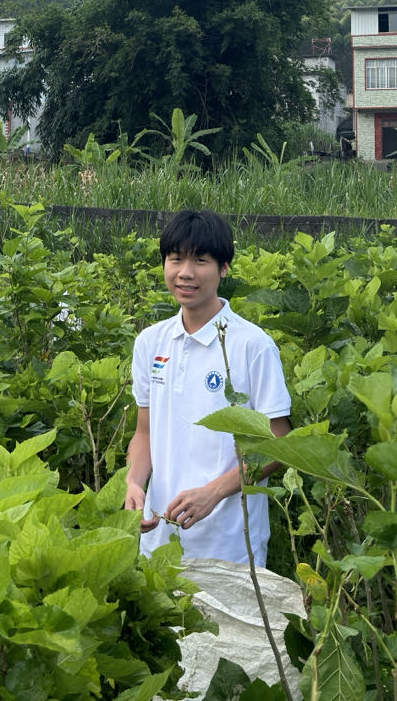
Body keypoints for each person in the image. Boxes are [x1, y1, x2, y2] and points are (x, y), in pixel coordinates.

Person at [124, 208, 291, 565]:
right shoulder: (150, 342)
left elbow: (278, 442)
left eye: (200, 261)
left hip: (230, 547)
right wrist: (134, 483)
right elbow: (144, 433)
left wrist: (213, 493)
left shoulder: (252, 345)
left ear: (223, 268)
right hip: (159, 541)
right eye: (175, 259)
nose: (185, 272)